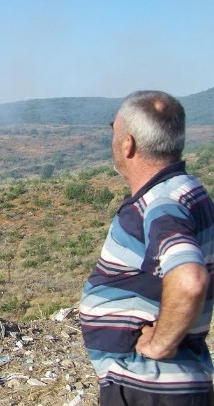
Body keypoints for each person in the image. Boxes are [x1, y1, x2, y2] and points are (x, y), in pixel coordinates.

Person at [80, 90, 214, 405]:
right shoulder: (189, 190)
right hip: (170, 386)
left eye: (114, 129)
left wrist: (160, 345)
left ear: (128, 144)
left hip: (148, 388)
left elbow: (189, 279)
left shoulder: (162, 203)